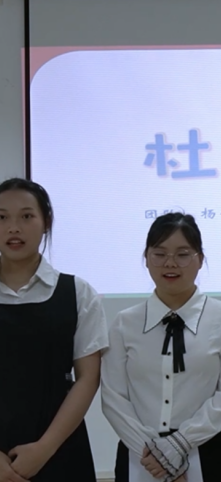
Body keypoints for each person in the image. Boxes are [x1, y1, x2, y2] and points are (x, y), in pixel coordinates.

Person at [101, 213, 221, 482]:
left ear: (200, 259)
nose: (170, 263)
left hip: (207, 451)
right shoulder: (125, 323)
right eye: (159, 254)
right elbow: (113, 398)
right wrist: (155, 455)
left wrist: (178, 446)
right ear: (146, 258)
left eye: (183, 254)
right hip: (139, 455)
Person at [0, 177, 108, 482]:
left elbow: (88, 378)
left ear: (46, 222)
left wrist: (44, 448)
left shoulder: (77, 292)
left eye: (26, 216)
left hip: (59, 445)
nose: (14, 228)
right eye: (2, 217)